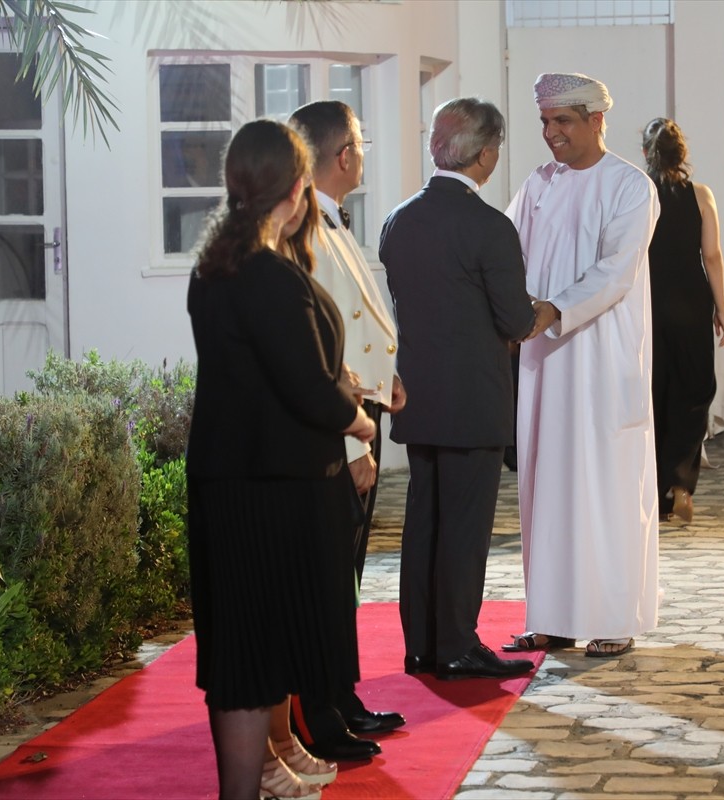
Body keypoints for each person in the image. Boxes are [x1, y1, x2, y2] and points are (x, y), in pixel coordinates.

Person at [186, 118, 375, 800]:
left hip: (236, 482)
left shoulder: (218, 263)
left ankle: (264, 773)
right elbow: (302, 387)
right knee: (251, 659)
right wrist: (356, 419)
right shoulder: (264, 273)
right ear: (297, 189)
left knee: (249, 653)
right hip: (267, 491)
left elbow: (268, 372)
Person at [378, 97, 541, 681]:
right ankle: (456, 645)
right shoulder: (490, 227)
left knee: (423, 523)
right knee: (466, 529)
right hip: (473, 400)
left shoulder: (398, 220)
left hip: (420, 396)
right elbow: (516, 321)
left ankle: (421, 644)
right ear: (488, 154)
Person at [504, 72, 659, 659]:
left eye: (562, 121)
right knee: (547, 485)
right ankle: (550, 617)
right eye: (545, 122)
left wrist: (552, 309)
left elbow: (616, 271)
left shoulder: (630, 186)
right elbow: (508, 251)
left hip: (602, 357)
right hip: (544, 358)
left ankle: (614, 616)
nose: (550, 134)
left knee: (607, 484)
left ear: (597, 120)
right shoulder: (539, 183)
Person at [287, 100, 406, 761]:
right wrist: (353, 440)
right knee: (328, 576)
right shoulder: (307, 229)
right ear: (340, 157)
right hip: (339, 430)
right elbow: (316, 355)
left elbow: (355, 324)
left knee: (347, 575)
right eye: (359, 143)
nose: (363, 153)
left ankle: (344, 696)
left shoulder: (331, 221)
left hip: (364, 413)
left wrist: (389, 375)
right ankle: (319, 716)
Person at [640, 117, 724, 523]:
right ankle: (681, 484)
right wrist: (722, 308)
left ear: (646, 153)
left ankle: (654, 491)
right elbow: (711, 255)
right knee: (694, 392)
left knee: (653, 393)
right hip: (691, 302)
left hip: (648, 302)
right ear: (684, 154)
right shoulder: (701, 194)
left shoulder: (638, 194)